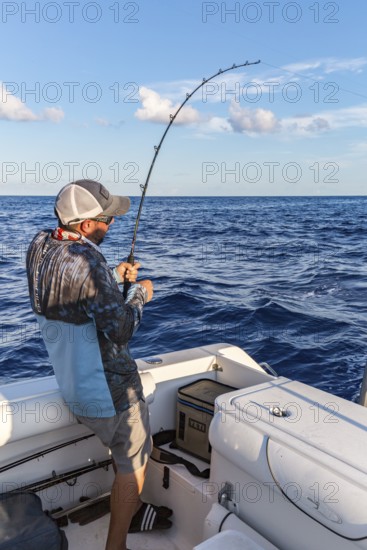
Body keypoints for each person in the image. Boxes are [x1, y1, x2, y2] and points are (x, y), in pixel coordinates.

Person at [26, 179, 171, 550]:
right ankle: (116, 544)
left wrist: (109, 278)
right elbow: (121, 330)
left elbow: (75, 292)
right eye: (108, 218)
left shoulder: (41, 245)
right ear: (88, 225)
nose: (112, 223)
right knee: (134, 459)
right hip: (109, 391)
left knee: (124, 452)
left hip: (72, 383)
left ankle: (131, 510)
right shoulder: (89, 261)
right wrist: (140, 295)